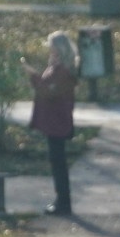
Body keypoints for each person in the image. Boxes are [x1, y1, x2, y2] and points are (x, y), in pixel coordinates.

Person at [21, 31, 78, 216]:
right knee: (57, 161)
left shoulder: (63, 71)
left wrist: (33, 75)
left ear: (58, 48)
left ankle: (63, 202)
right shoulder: (58, 67)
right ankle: (61, 200)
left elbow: (47, 91)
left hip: (57, 121)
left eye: (51, 45)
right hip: (55, 120)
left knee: (58, 162)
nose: (48, 48)